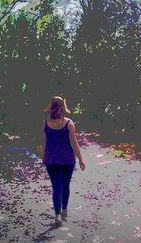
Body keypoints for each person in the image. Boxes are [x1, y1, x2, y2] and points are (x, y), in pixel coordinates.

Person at [43, 96, 85, 225]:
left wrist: (43, 156)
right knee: (65, 185)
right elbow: (74, 143)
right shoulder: (68, 123)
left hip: (51, 160)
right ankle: (64, 209)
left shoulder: (45, 123)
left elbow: (44, 143)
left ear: (51, 106)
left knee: (56, 187)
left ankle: (57, 215)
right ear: (63, 106)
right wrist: (80, 158)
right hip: (67, 160)